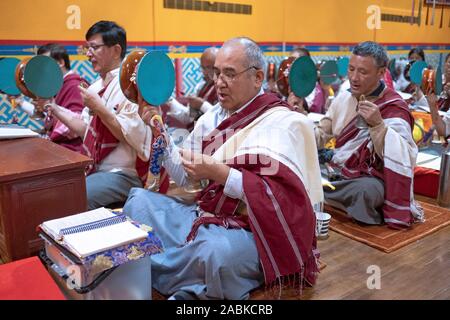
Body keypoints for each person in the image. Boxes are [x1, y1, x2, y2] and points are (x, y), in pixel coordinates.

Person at [123, 37, 323, 300]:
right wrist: (158, 127)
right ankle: (194, 283)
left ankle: (172, 273)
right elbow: (185, 177)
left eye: (229, 74)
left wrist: (219, 173)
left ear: (257, 77)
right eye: (216, 73)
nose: (219, 82)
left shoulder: (284, 123)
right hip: (206, 215)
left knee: (216, 253)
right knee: (138, 202)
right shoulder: (211, 119)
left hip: (253, 229)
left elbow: (284, 200)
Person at [315, 41, 423, 228]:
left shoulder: (393, 106)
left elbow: (405, 158)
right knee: (300, 169)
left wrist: (378, 126)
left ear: (381, 73)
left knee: (368, 191)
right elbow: (320, 135)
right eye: (351, 69)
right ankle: (332, 197)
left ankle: (320, 195)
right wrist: (296, 120)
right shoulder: (342, 99)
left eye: (363, 72)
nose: (354, 78)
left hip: (368, 179)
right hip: (338, 170)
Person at [47, 21, 150, 210]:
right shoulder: (95, 87)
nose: (88, 54)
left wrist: (100, 109)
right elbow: (85, 130)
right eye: (87, 48)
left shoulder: (131, 87)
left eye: (94, 47)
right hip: (95, 168)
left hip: (124, 173)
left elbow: (133, 136)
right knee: (54, 188)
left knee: (73, 197)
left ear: (116, 50)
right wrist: (54, 108)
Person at [35, 43, 87, 152]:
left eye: (45, 64)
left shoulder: (74, 85)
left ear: (60, 62)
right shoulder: (58, 85)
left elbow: (79, 126)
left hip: (73, 150)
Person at [166, 47, 219, 128]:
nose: (204, 72)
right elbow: (189, 118)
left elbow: (221, 119)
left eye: (208, 67)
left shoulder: (224, 89)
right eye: (203, 68)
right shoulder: (201, 87)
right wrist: (169, 99)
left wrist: (202, 105)